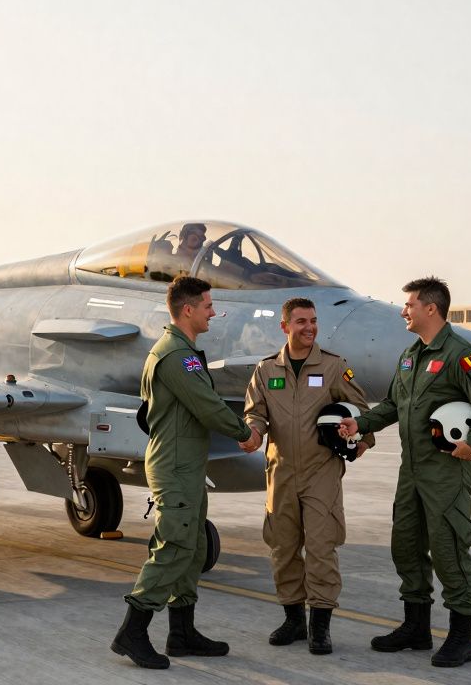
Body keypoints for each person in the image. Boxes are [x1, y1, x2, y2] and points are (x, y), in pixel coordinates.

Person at [337, 277, 471, 668]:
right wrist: (359, 425)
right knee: (406, 547)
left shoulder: (460, 354)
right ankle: (416, 629)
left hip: (445, 472)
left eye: (409, 304)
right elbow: (394, 405)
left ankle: (462, 639)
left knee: (448, 552)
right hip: (411, 471)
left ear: (431, 308)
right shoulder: (411, 355)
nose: (403, 311)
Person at [112, 275, 252, 670]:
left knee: (192, 551)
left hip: (187, 463)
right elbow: (206, 405)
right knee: (173, 547)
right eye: (207, 305)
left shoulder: (182, 350)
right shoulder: (177, 355)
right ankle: (133, 632)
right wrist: (245, 432)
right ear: (188, 310)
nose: (213, 311)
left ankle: (182, 632)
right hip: (174, 466)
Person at [242, 297, 374, 655]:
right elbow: (255, 414)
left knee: (321, 548)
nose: (309, 327)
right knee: (283, 547)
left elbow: (361, 410)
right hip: (281, 471)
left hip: (321, 472)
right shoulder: (266, 370)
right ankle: (293, 620)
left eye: (313, 321)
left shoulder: (333, 367)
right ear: (285, 327)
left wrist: (362, 439)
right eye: (301, 322)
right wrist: (253, 433)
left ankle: (320, 625)